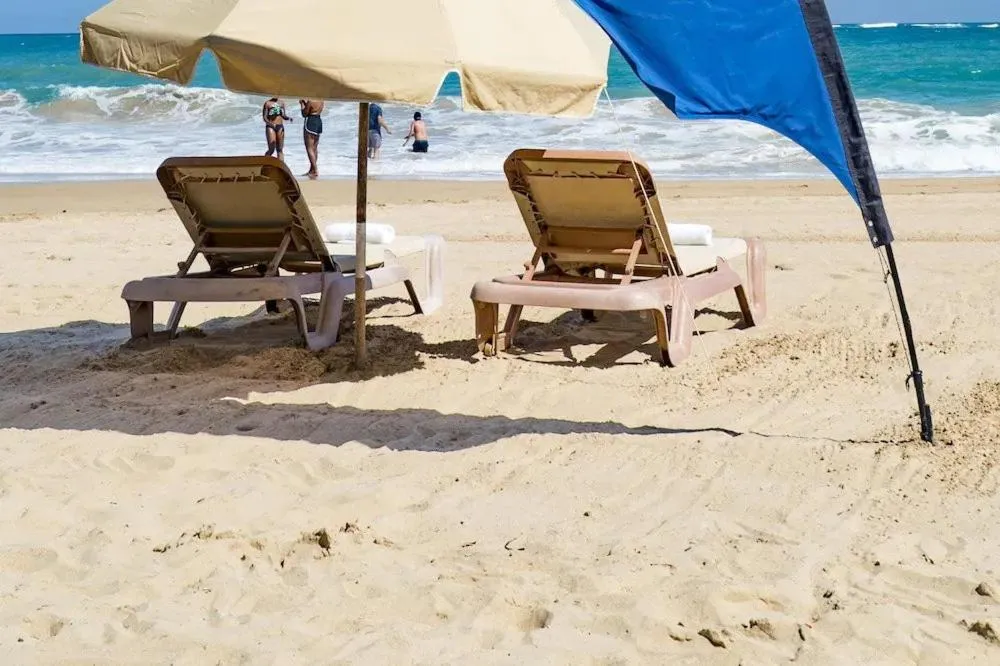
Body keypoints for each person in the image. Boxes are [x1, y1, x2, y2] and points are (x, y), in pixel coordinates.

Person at [299, 99, 325, 179]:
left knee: (309, 148)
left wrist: (302, 104)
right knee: (314, 148)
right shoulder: (322, 100)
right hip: (318, 120)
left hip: (311, 121)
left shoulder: (310, 101)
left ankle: (315, 169)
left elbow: (304, 114)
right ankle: (312, 170)